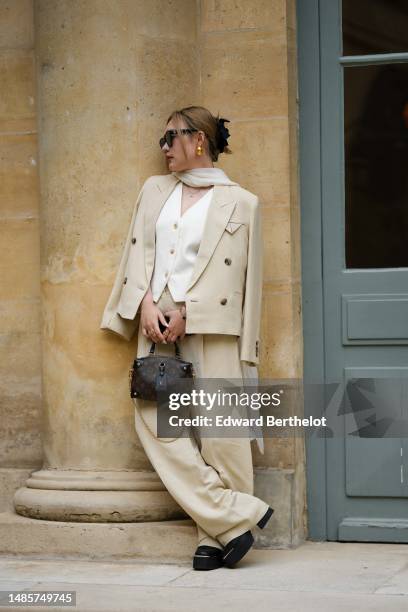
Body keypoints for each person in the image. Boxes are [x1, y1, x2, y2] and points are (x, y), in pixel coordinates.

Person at [100, 105, 274, 570]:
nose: (163, 148)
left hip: (213, 326)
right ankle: (234, 519)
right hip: (156, 319)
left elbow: (247, 284)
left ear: (199, 140)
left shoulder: (243, 201)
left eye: (171, 137)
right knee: (157, 424)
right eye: (163, 138)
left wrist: (191, 314)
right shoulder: (154, 190)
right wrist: (144, 305)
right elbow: (135, 252)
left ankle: (214, 535)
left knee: (222, 431)